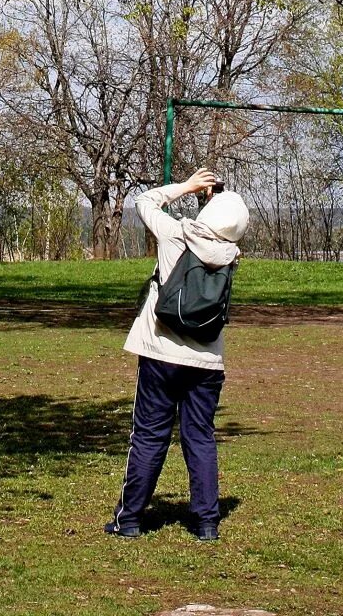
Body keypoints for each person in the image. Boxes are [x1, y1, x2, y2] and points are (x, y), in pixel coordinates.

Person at [105, 166, 250, 542]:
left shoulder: (176, 234)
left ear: (207, 212)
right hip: (207, 362)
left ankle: (130, 519)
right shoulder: (232, 255)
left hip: (160, 353)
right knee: (199, 437)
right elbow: (220, 227)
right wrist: (214, 202)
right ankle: (206, 523)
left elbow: (145, 201)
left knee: (150, 435)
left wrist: (188, 187)